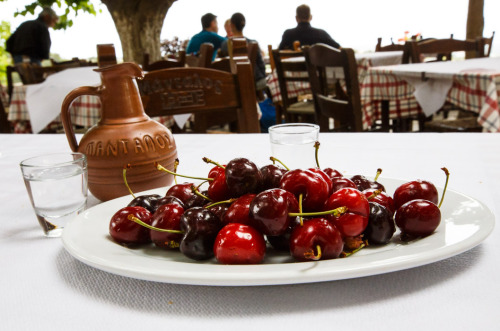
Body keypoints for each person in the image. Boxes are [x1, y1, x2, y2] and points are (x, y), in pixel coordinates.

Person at [219, 13, 267, 92]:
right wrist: (261, 77)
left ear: (232, 25)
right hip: (256, 81)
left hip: (237, 84)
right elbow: (261, 65)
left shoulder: (225, 45)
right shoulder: (253, 43)